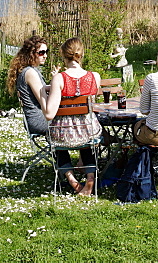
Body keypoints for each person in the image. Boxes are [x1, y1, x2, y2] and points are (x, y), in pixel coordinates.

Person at [44, 37, 102, 196]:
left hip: (63, 133)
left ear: (64, 55)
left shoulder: (60, 78)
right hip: (89, 131)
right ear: (82, 54)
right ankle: (90, 177)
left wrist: (44, 94)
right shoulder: (94, 77)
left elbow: (49, 114)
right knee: (87, 141)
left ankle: (72, 181)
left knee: (55, 143)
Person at [6, 34, 52, 136]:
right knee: (72, 121)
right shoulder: (30, 73)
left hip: (36, 117)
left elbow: (42, 90)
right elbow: (44, 101)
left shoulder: (30, 71)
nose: (45, 55)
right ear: (31, 53)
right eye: (41, 52)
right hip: (39, 119)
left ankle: (60, 151)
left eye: (46, 52)